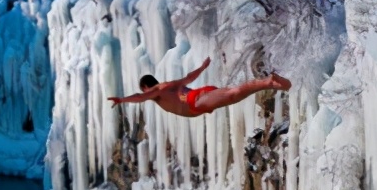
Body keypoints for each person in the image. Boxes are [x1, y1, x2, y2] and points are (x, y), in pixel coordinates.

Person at [108, 56, 291, 118]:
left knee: (234, 94)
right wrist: (202, 68)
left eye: (144, 90)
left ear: (147, 87)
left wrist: (121, 99)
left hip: (196, 101)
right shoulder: (167, 87)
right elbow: (188, 79)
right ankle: (271, 82)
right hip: (198, 97)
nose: (145, 95)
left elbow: (139, 98)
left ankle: (268, 82)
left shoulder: (158, 91)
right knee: (233, 93)